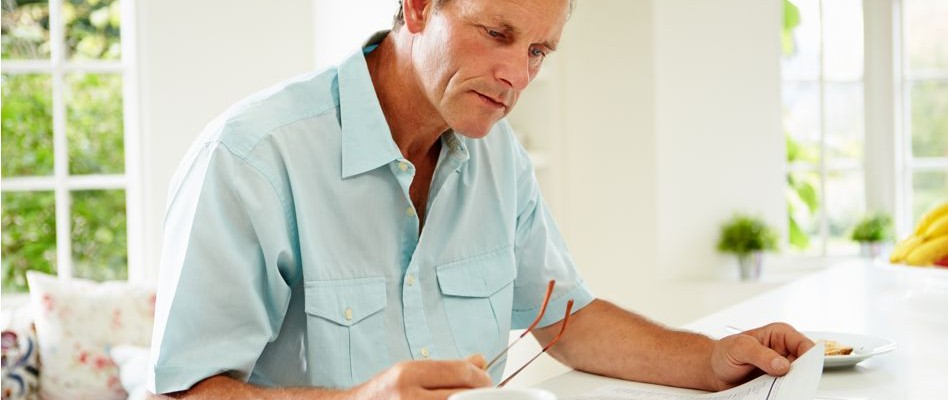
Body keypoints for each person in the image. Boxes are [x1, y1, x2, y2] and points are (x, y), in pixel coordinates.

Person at [148, 0, 814, 398]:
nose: (517, 76)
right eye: (497, 34)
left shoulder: (496, 153)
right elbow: (183, 391)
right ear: (416, 6)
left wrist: (708, 358)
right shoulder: (252, 159)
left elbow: (566, 320)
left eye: (539, 51)